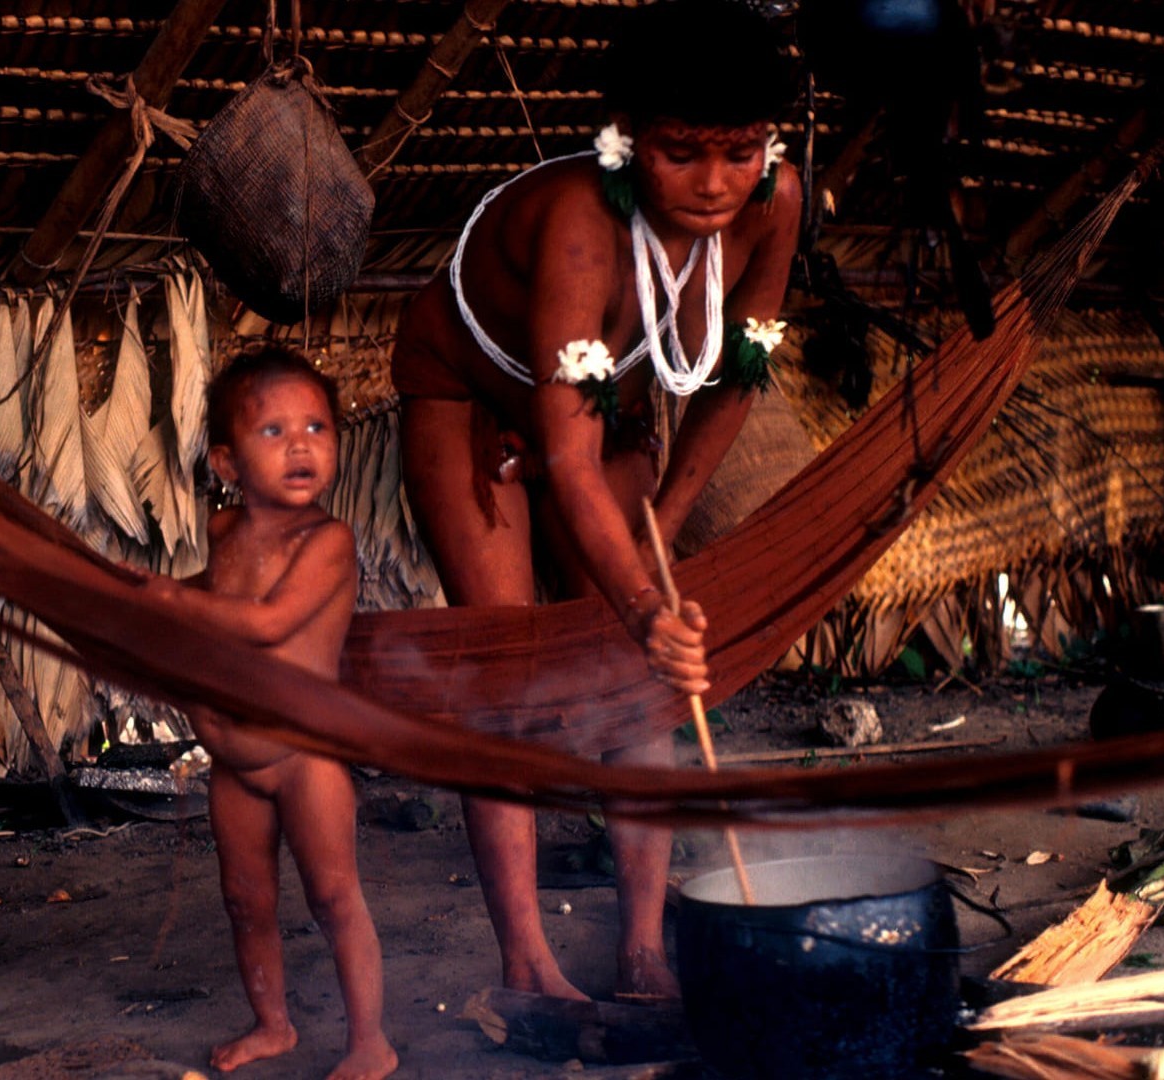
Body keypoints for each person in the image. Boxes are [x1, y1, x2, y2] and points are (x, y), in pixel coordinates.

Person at [390, 0, 801, 1003]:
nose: (714, 184)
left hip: (600, 402)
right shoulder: (583, 220)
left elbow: (737, 374)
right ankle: (529, 966)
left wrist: (654, 535)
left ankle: (645, 949)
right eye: (681, 153)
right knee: (508, 671)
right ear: (626, 142)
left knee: (634, 682)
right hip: (467, 395)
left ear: (770, 144)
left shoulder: (778, 200)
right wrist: (653, 610)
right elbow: (569, 467)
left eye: (739, 151)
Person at [140, 346, 398, 1080]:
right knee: (245, 900)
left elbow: (264, 622)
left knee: (334, 896)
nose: (301, 447)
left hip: (304, 756)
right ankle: (273, 1024)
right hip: (234, 764)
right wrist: (140, 593)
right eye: (275, 432)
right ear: (226, 464)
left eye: (317, 429)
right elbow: (213, 592)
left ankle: (369, 1041)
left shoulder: (327, 541)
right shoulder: (225, 536)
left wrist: (165, 599)